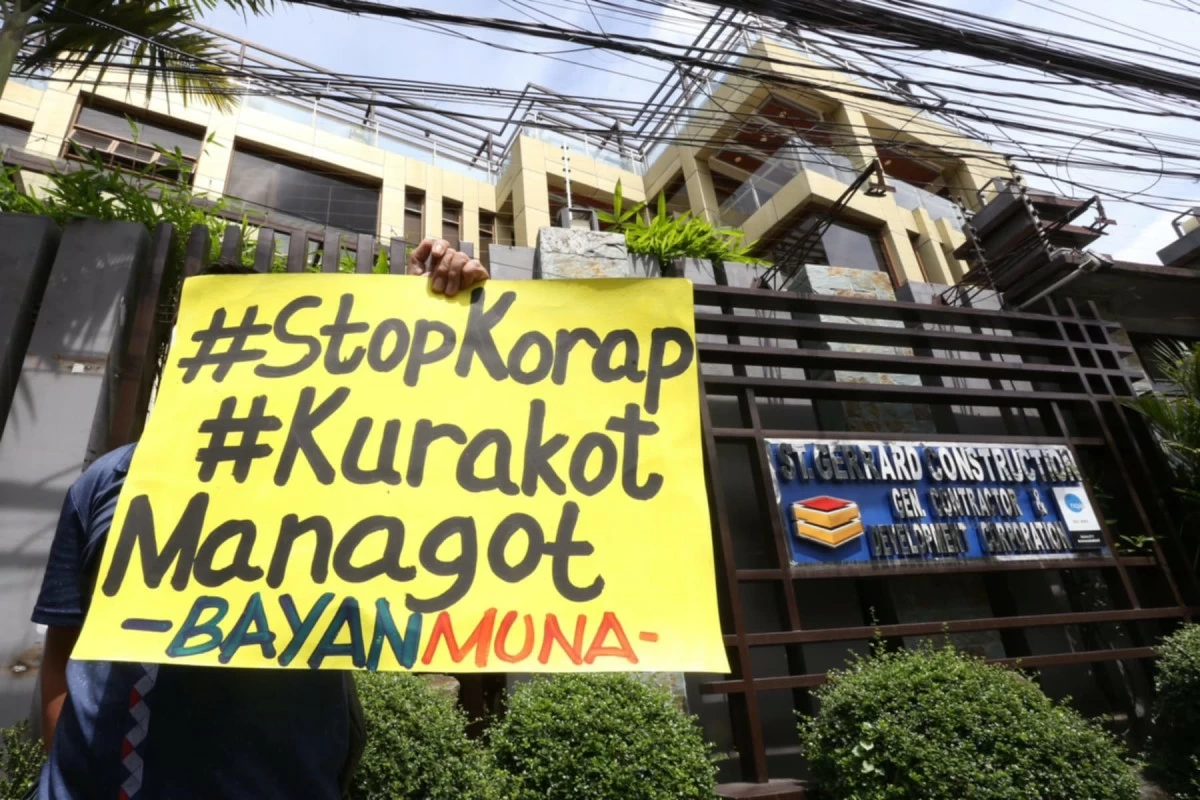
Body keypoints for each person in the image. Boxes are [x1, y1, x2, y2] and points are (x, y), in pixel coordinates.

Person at [31, 238, 488, 800]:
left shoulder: (342, 488)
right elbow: (64, 646)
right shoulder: (104, 483)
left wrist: (427, 314)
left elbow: (435, 476)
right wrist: (65, 771)